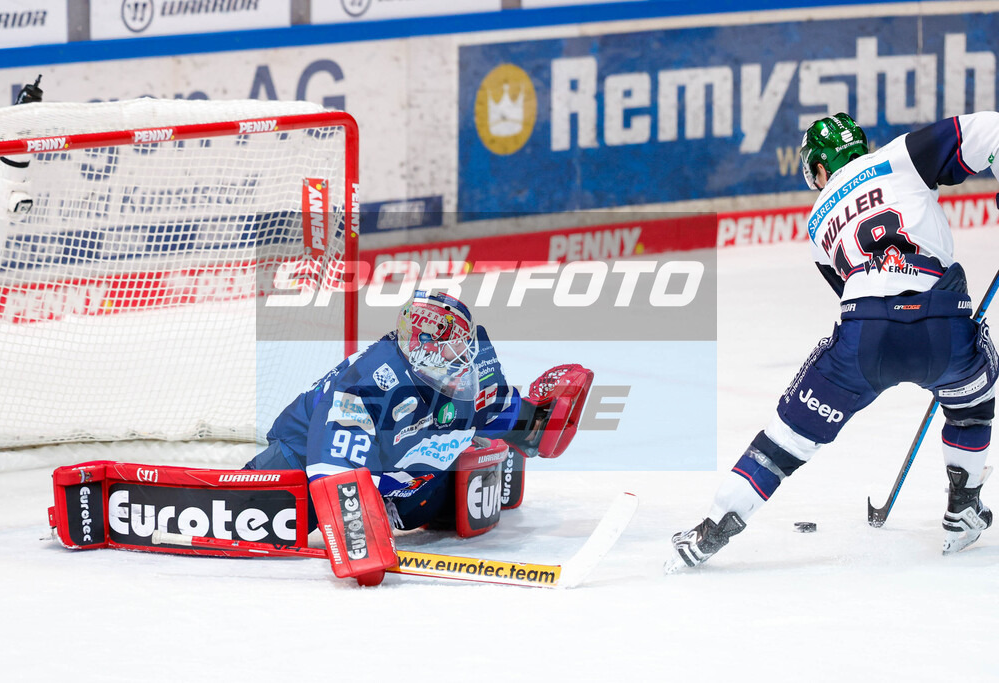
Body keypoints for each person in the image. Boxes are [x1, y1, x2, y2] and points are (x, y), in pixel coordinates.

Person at [665, 112, 999, 573]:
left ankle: (713, 528)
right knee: (973, 402)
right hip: (943, 326)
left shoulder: (818, 222)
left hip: (866, 337)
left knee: (786, 439)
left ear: (820, 168)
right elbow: (991, 130)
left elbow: (853, 293)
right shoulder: (899, 157)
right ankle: (964, 506)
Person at [246, 289, 592, 536]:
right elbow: (333, 475)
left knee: (446, 502)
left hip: (396, 480)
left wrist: (538, 423)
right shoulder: (368, 384)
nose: (466, 350)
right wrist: (364, 538)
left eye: (464, 340)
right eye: (455, 342)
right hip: (301, 461)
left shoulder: (457, 366)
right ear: (425, 346)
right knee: (256, 521)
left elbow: (496, 412)